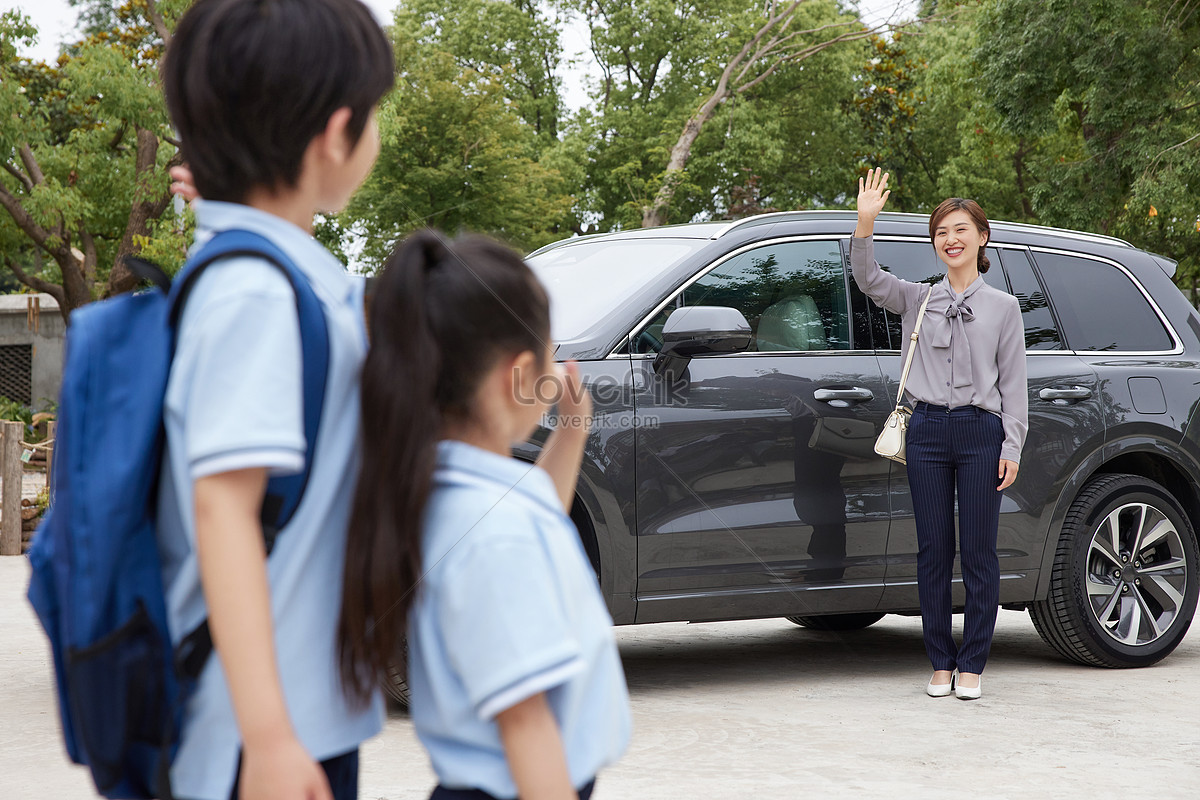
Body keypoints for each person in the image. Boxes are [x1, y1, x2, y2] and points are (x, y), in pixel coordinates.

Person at [156, 1, 393, 798]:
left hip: (298, 715)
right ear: (335, 134)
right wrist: (267, 737)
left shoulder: (275, 272)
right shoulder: (253, 292)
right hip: (255, 736)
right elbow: (225, 507)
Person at [338, 231, 631, 799]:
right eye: (551, 350)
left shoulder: (451, 490)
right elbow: (525, 725)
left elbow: (537, 509)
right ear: (520, 375)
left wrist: (572, 430)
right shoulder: (496, 536)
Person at [851, 168, 1028, 700]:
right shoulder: (917, 298)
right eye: (941, 233)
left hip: (981, 432)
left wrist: (1012, 444)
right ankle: (939, 661)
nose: (950, 239)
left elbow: (1015, 383)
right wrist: (865, 224)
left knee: (978, 551)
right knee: (932, 549)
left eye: (960, 230)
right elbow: (868, 279)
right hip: (925, 429)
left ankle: (973, 662)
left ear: (981, 237)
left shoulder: (1003, 307)